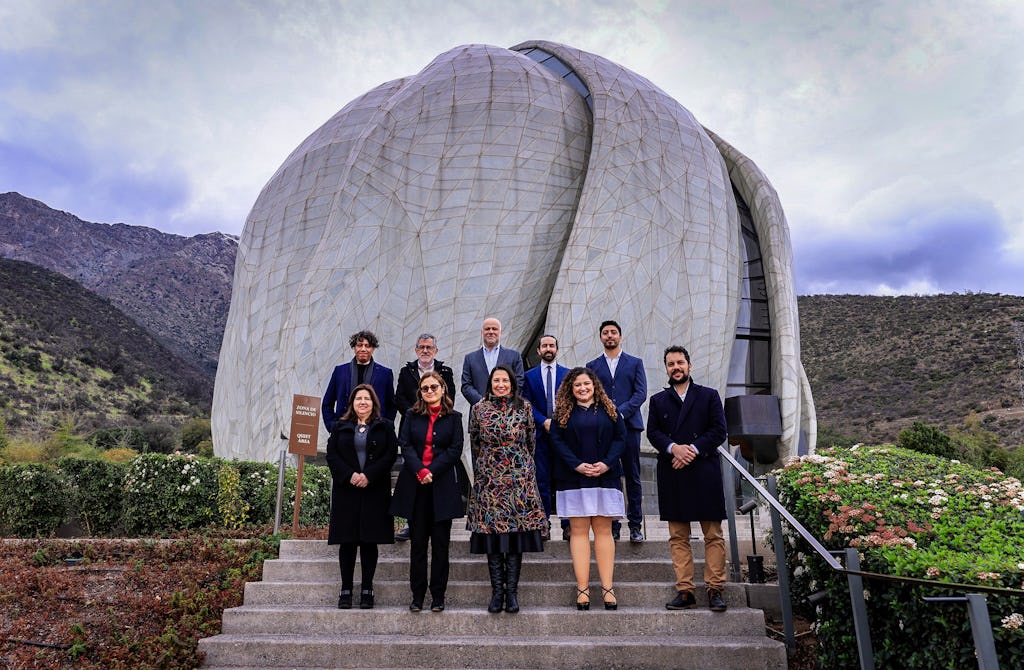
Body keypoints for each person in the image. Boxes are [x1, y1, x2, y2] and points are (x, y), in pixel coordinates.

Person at [647, 345, 729, 612]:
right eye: (671, 364)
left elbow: (719, 430)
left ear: (689, 366)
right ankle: (685, 591)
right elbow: (654, 433)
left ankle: (715, 588)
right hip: (673, 470)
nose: (676, 368)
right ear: (666, 368)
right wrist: (674, 448)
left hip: (704, 469)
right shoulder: (658, 401)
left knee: (713, 535)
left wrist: (691, 449)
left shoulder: (708, 396)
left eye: (680, 363)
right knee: (678, 536)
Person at [467, 365, 547, 613]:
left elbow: (531, 441)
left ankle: (511, 593)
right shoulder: (479, 409)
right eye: (496, 380)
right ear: (490, 383)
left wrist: (518, 466)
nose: (501, 384)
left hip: (518, 481)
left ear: (512, 384)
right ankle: (496, 593)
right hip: (490, 482)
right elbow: (475, 442)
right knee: (493, 537)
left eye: (505, 380)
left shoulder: (524, 407)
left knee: (515, 538)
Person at [549, 367, 625, 611]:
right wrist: (577, 465)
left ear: (595, 386)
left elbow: (620, 439)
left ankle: (607, 588)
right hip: (574, 479)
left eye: (586, 384)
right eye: (577, 385)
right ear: (571, 389)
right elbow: (556, 441)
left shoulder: (610, 410)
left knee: (603, 531)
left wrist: (606, 464)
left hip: (605, 476)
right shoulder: (562, 412)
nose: (582, 388)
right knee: (579, 531)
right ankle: (582, 589)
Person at [389, 370, 465, 612]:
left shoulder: (454, 418)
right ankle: (417, 595)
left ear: (443, 389)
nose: (430, 391)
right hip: (415, 486)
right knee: (418, 544)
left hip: (442, 486)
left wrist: (431, 470)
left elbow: (455, 450)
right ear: (420, 393)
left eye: (434, 387)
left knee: (441, 545)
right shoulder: (411, 415)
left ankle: (438, 596)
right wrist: (420, 471)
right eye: (425, 388)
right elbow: (405, 443)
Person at [325, 384, 398, 609]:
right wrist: (351, 475)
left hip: (374, 490)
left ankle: (367, 588)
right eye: (358, 399)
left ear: (373, 403)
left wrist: (369, 475)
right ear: (352, 403)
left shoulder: (384, 426)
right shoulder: (340, 426)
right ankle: (346, 588)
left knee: (368, 541)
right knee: (347, 542)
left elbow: (390, 454)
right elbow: (332, 455)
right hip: (347, 490)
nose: (363, 402)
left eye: (367, 399)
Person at [586, 320, 647, 542]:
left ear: (620, 336)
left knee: (632, 475)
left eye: (613, 332)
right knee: (610, 477)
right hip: (604, 430)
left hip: (629, 426)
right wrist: (605, 416)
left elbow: (640, 393)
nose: (610, 336)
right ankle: (613, 523)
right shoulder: (592, 365)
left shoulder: (635, 363)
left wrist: (619, 413)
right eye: (605, 333)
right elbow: (590, 393)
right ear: (601, 338)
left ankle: (635, 525)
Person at [393, 333, 456, 541]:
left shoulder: (445, 372)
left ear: (435, 350)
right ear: (416, 349)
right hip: (413, 427)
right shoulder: (406, 371)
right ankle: (410, 526)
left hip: (439, 427)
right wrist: (417, 413)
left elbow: (451, 396)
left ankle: (436, 523)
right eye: (422, 347)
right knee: (411, 486)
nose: (425, 350)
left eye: (429, 347)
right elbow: (399, 397)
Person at [520, 334, 569, 538]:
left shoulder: (568, 374)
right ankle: (543, 523)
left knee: (565, 480)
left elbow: (571, 401)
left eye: (552, 345)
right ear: (538, 351)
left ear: (557, 349)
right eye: (544, 346)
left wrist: (558, 422)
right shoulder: (529, 376)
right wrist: (544, 421)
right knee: (541, 480)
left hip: (563, 435)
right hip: (539, 435)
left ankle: (568, 525)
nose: (548, 349)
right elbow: (526, 403)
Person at [322, 330, 397, 430]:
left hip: (374, 431)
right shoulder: (340, 371)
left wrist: (384, 428)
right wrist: (333, 426)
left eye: (367, 346)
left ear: (373, 348)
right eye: (359, 345)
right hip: (344, 430)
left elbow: (391, 405)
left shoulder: (385, 373)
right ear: (354, 347)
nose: (363, 349)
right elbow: (327, 403)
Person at [461, 317, 525, 406]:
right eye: (487, 329)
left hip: (507, 411)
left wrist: (505, 400)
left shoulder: (514, 356)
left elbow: (519, 381)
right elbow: (466, 385)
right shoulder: (470, 358)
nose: (491, 332)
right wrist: (482, 402)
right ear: (482, 332)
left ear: (500, 332)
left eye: (494, 329)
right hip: (479, 412)